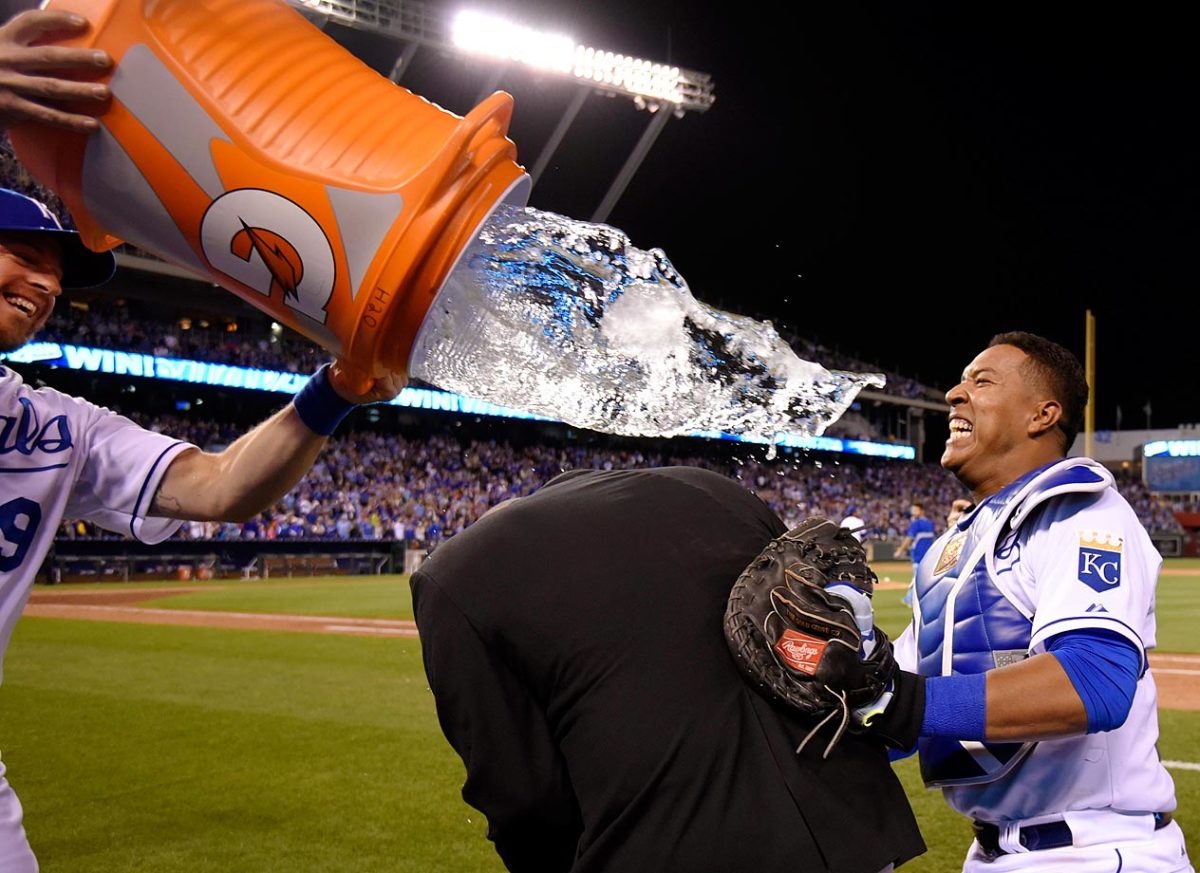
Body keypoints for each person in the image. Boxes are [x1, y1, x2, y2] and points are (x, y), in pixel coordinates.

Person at [412, 466, 925, 873]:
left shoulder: (452, 574)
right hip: (853, 827)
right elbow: (814, 655)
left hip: (672, 846)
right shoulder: (709, 488)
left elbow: (522, 798)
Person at [863, 332, 1192, 871]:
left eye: (981, 381)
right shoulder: (951, 547)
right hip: (991, 851)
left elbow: (1093, 684)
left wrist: (904, 703)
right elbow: (897, 713)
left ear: (1043, 415)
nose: (953, 394)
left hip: (1092, 851)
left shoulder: (1081, 511)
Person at [895, 501, 934, 605]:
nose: (913, 512)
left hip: (918, 556)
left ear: (921, 511)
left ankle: (910, 599)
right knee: (924, 578)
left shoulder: (916, 523)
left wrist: (900, 551)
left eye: (915, 510)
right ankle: (912, 598)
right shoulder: (930, 523)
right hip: (929, 556)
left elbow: (909, 539)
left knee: (916, 578)